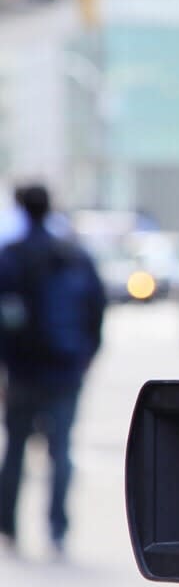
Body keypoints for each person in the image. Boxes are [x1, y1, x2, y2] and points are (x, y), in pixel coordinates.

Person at [0, 184, 107, 558]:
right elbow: (97, 308)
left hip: (24, 372)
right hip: (66, 369)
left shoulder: (11, 257)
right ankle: (57, 529)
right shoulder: (74, 254)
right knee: (60, 452)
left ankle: (9, 526)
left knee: (15, 450)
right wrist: (86, 355)